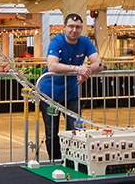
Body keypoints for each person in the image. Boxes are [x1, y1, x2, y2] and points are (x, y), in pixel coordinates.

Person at [39, 13, 102, 160]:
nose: (74, 30)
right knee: (51, 131)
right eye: (71, 26)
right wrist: (77, 69)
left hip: (71, 94)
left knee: (75, 130)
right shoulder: (57, 42)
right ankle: (55, 161)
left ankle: (71, 160)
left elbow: (99, 63)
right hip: (50, 94)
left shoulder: (85, 42)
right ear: (64, 27)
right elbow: (52, 65)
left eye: (78, 27)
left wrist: (86, 71)